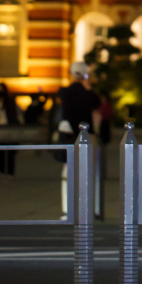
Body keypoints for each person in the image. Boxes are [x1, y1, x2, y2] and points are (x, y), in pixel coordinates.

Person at [56, 63, 101, 217]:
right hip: (86, 136)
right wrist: (88, 87)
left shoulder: (64, 92)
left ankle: (67, 209)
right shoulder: (87, 94)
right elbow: (97, 103)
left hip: (68, 136)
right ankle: (86, 208)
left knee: (67, 173)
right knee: (86, 172)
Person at [0, 83, 22, 176]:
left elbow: (13, 115)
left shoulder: (10, 102)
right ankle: (1, 170)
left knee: (10, 151)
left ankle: (10, 172)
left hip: (8, 129)